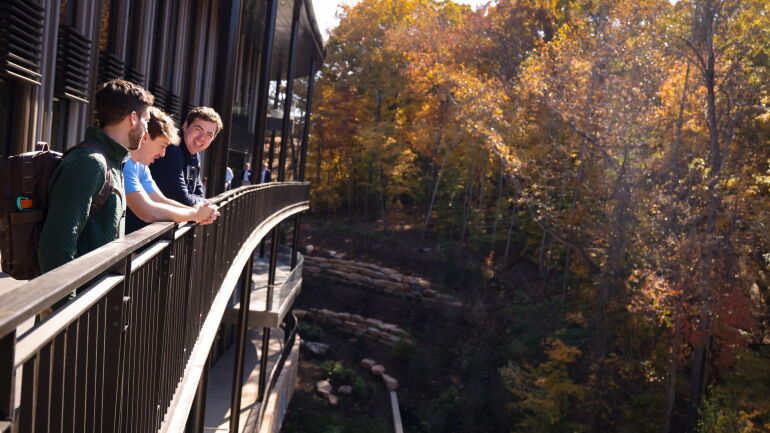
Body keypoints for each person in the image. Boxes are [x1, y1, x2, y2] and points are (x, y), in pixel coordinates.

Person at [39, 79, 153, 273]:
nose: (146, 131)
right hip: (82, 299)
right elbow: (56, 246)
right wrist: (68, 303)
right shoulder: (89, 162)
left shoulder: (112, 160)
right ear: (133, 118)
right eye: (146, 121)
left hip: (97, 296)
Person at [124, 107, 219, 234]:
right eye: (163, 146)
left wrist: (200, 212)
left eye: (209, 134)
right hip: (121, 245)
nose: (163, 154)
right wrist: (196, 214)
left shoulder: (141, 166)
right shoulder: (126, 164)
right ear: (145, 137)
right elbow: (148, 212)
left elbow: (161, 200)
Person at [149, 106, 223, 206]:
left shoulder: (195, 155)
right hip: (149, 220)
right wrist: (209, 204)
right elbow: (181, 198)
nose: (202, 138)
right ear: (185, 126)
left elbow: (199, 194)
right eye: (198, 129)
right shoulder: (172, 149)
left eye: (209, 135)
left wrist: (202, 203)